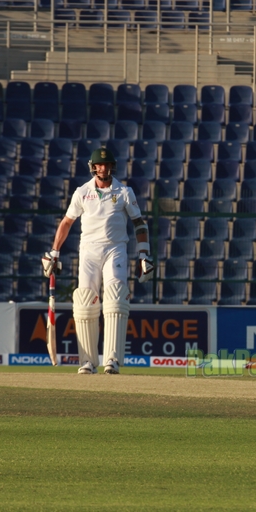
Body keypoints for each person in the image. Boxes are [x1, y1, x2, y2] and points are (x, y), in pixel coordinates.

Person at [43, 147, 153, 375]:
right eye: (99, 165)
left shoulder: (124, 192)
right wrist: (54, 252)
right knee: (84, 303)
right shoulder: (82, 192)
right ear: (93, 167)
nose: (103, 168)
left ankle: (112, 359)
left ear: (112, 166)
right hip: (89, 252)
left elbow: (139, 223)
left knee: (114, 298)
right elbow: (66, 223)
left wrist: (144, 254)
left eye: (107, 165)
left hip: (116, 249)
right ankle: (87, 361)